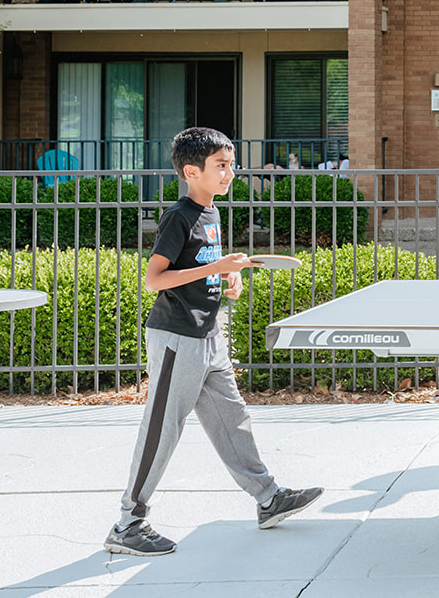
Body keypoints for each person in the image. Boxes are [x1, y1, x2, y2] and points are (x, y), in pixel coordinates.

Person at [105, 127, 322, 556]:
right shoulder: (179, 216)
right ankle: (128, 524)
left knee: (233, 419)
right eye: (221, 166)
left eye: (231, 165)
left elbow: (208, 265)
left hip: (209, 335)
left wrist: (230, 275)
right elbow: (154, 280)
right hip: (176, 339)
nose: (230, 173)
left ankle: (268, 498)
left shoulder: (212, 214)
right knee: (162, 430)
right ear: (191, 171)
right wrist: (214, 268)